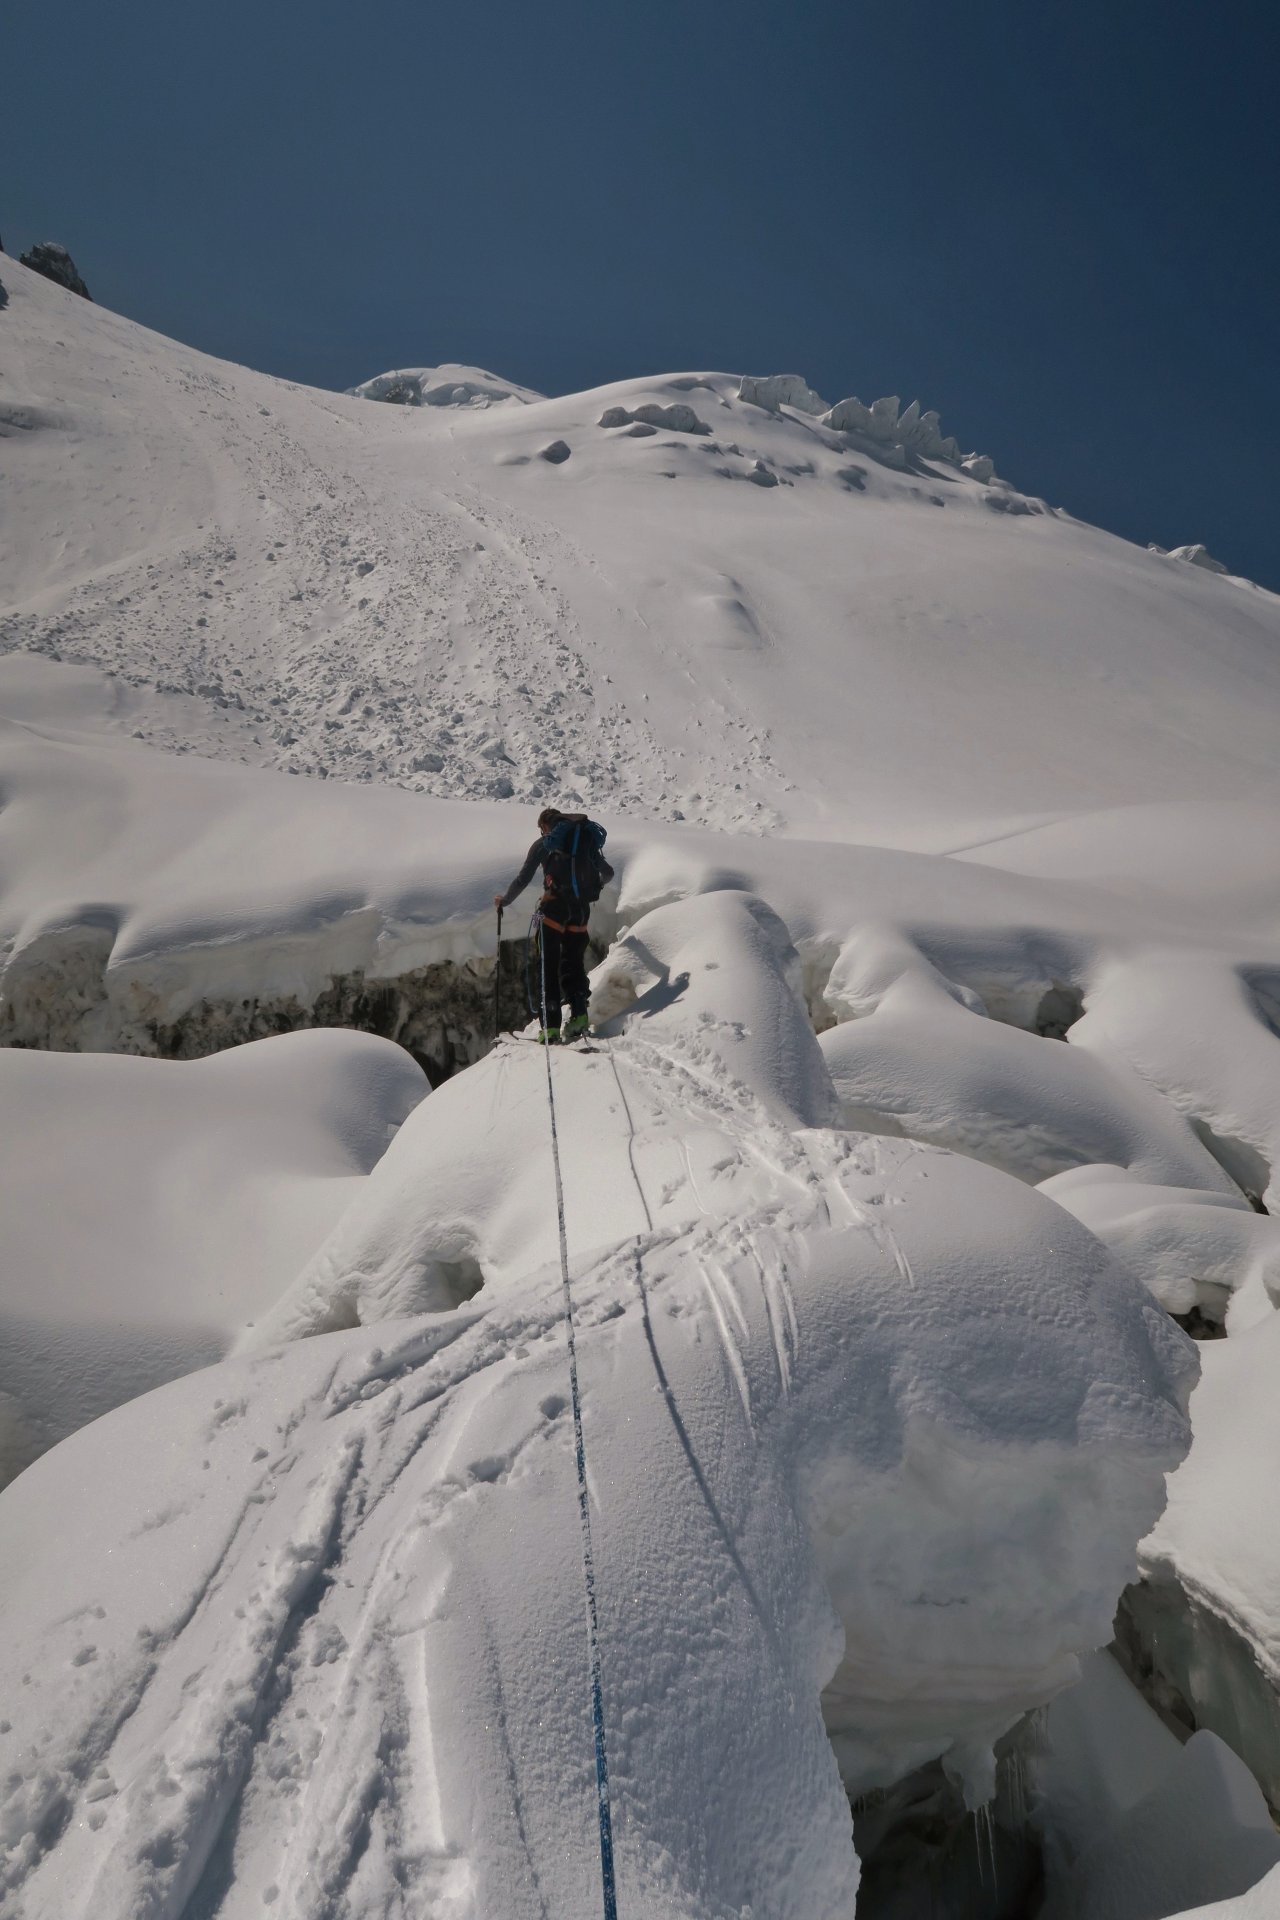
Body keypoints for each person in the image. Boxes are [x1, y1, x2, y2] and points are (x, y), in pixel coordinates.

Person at [494, 808, 613, 1042]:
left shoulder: (544, 844)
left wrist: (504, 900)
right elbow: (607, 873)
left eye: (542, 829)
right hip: (580, 910)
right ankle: (579, 1017)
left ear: (546, 826)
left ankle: (549, 1027)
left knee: (547, 965)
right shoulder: (584, 841)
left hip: (552, 909)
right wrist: (591, 886)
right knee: (573, 962)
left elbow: (523, 879)